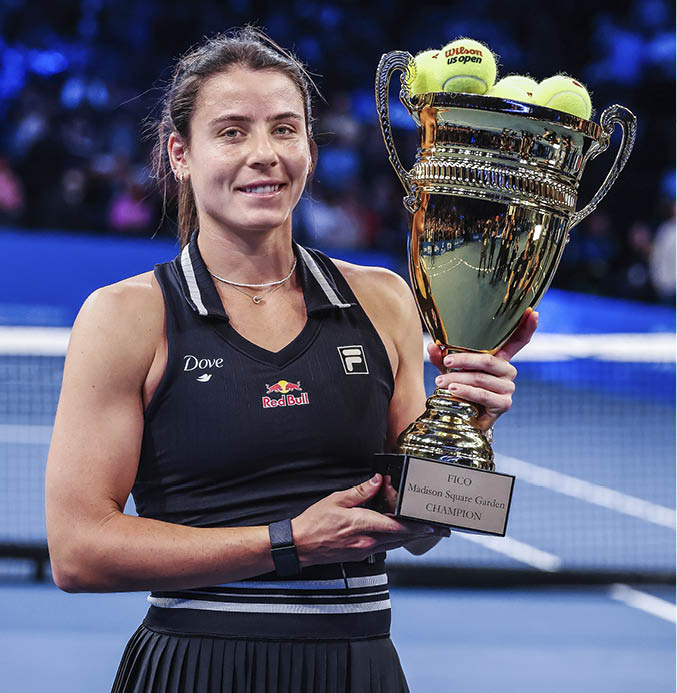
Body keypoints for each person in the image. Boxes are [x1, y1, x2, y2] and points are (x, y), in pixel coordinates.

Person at [45, 27, 537, 693]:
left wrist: (465, 429)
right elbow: (76, 553)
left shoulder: (385, 298)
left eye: (284, 129)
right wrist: (290, 541)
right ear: (180, 154)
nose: (263, 155)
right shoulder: (125, 317)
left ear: (309, 146)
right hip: (196, 669)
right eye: (232, 132)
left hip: (355, 668)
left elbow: (424, 526)